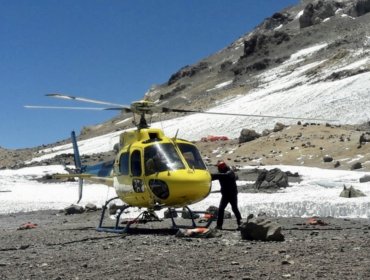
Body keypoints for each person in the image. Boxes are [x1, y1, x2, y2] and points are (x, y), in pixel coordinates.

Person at [211, 160, 242, 230]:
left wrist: (212, 175)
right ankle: (219, 225)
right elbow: (216, 177)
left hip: (232, 194)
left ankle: (241, 224)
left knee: (235, 209)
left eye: (218, 167)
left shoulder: (230, 173)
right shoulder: (221, 174)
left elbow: (224, 176)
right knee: (221, 209)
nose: (217, 169)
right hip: (225, 195)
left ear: (221, 168)